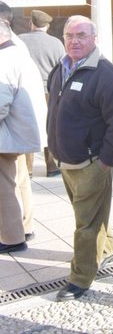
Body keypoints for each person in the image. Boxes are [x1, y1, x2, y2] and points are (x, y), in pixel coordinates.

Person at [47, 15, 113, 301]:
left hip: (91, 164)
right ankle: (107, 248)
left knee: (85, 225)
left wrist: (105, 161)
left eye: (81, 35)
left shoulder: (106, 75)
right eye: (69, 36)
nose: (74, 41)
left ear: (94, 39)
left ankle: (81, 278)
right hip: (66, 162)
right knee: (90, 216)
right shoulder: (60, 69)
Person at [0, 19, 47, 253]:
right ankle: (22, 229)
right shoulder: (17, 53)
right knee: (17, 182)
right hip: (20, 133)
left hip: (8, 135)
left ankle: (12, 238)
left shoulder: (3, 59)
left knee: (4, 189)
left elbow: (0, 104)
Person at [19, 9, 65, 177]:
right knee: (50, 126)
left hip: (27, 90)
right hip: (49, 91)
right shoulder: (56, 43)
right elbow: (63, 69)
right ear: (47, 26)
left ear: (31, 23)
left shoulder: (20, 40)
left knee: (28, 127)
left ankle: (28, 169)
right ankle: (51, 166)